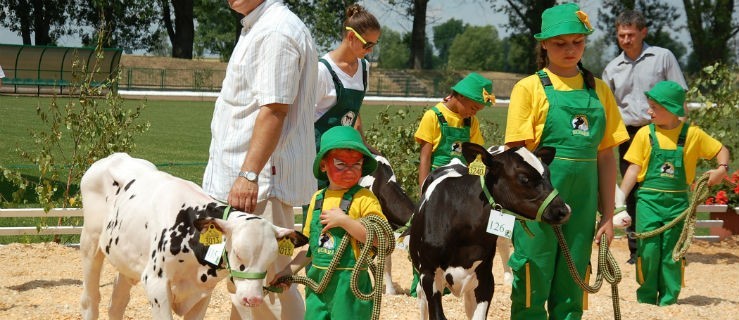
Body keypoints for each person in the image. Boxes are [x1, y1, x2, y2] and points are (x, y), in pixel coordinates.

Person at [504, 3, 629, 319]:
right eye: (560, 43)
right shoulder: (528, 88)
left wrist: (607, 215)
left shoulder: (599, 89)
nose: (570, 50)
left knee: (573, 287)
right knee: (532, 280)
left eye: (578, 42)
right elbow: (516, 156)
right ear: (544, 44)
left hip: (583, 208)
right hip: (536, 205)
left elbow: (605, 155)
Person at [201, 0, 317, 319]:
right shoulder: (261, 26)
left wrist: (249, 175)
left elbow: (275, 110)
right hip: (250, 180)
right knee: (251, 281)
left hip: (261, 184)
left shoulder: (275, 31)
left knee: (272, 282)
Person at [619, 80, 730, 306]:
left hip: (678, 204)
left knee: (672, 253)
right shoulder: (644, 134)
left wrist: (721, 169)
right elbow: (633, 168)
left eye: (654, 107)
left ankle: (669, 300)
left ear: (670, 109)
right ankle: (647, 298)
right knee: (648, 251)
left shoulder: (693, 135)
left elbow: (722, 150)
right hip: (648, 202)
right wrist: (619, 198)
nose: (649, 111)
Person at [273, 125, 387, 319]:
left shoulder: (364, 198)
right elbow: (310, 249)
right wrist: (287, 271)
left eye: (356, 164)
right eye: (341, 164)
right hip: (317, 285)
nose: (350, 171)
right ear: (324, 165)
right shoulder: (318, 198)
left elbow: (380, 239)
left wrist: (344, 221)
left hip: (350, 286)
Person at [602, 9, 688, 265]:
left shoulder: (663, 57)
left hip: (661, 132)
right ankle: (636, 249)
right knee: (632, 192)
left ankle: (671, 246)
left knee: (665, 187)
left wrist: (678, 134)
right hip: (627, 134)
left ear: (643, 32)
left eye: (630, 34)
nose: (626, 40)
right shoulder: (612, 68)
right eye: (621, 35)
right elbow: (607, 106)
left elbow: (679, 94)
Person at [410, 72, 494, 297]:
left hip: (460, 182)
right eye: (474, 108)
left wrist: (476, 186)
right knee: (425, 231)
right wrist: (424, 188)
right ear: (461, 97)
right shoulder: (434, 116)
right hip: (438, 181)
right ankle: (420, 276)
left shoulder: (471, 122)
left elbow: (475, 158)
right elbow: (426, 155)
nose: (474, 113)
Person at [314, 3, 380, 158]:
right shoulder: (322, 71)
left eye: (374, 44)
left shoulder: (364, 68)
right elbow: (302, 119)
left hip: (342, 155)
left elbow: (354, 111)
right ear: (351, 37)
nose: (371, 50)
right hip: (317, 155)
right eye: (367, 44)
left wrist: (363, 144)